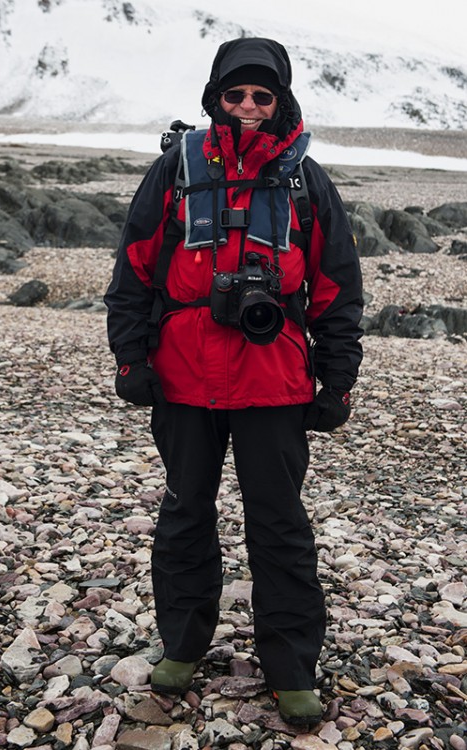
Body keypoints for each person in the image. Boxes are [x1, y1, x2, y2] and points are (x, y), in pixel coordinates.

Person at [104, 36, 363, 726]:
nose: (248, 107)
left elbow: (337, 286)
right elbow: (132, 268)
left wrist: (337, 381)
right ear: (215, 97)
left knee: (279, 526)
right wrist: (131, 359)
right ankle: (183, 645)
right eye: (235, 94)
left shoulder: (307, 180)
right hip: (182, 379)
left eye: (262, 95)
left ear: (281, 100)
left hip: (273, 382)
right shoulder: (175, 170)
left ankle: (291, 665)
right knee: (185, 515)